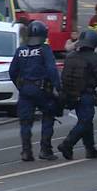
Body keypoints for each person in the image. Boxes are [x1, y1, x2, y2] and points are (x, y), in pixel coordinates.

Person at [58, 30, 97, 160]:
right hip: (86, 94)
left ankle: (90, 149)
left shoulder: (71, 56)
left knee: (86, 121)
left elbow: (63, 76)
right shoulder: (93, 57)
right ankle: (68, 143)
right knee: (85, 121)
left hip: (71, 94)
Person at [8, 21, 61, 162]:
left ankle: (26, 152)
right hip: (43, 90)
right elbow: (52, 69)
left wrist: (20, 86)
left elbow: (12, 71)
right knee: (48, 116)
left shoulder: (20, 50)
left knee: (25, 122)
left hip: (25, 90)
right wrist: (58, 87)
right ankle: (45, 150)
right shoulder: (44, 49)